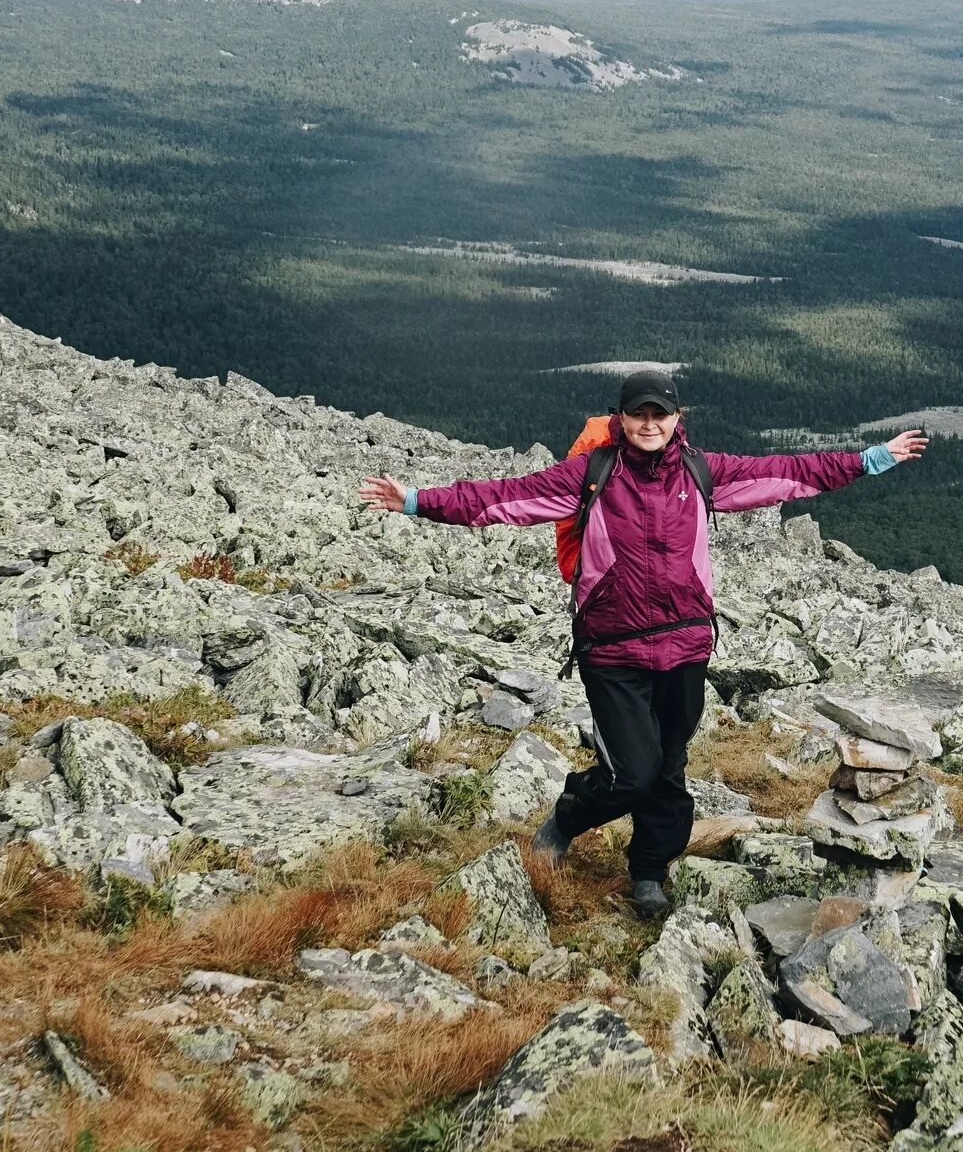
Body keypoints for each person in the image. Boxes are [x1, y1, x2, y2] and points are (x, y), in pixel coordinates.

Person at [359, 367, 926, 914]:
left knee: (669, 765)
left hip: (684, 644)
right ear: (621, 418)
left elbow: (788, 472)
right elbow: (503, 498)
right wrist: (414, 500)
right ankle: (569, 817)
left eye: (660, 412)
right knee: (634, 771)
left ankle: (649, 870)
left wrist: (870, 460)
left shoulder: (704, 473)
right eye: (638, 413)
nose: (650, 422)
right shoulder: (592, 474)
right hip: (612, 647)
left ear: (678, 417)